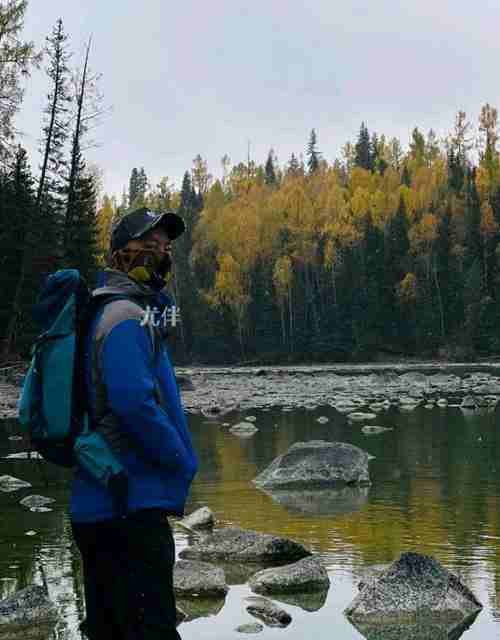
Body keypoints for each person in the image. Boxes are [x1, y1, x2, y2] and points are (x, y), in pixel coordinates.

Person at [70, 207, 198, 640]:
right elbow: (134, 405)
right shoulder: (124, 316)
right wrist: (181, 460)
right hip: (126, 503)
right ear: (121, 253)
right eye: (148, 245)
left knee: (111, 629)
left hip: (106, 500)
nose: (159, 255)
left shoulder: (123, 309)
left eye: (164, 246)